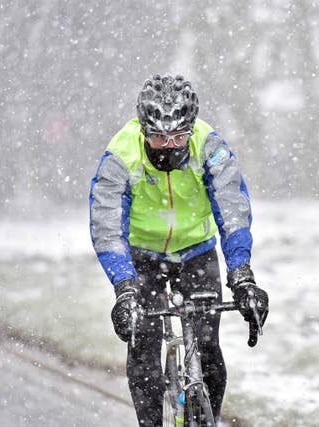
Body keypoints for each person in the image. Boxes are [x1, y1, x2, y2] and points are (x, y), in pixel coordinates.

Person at [89, 74, 269, 426]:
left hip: (195, 252)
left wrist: (242, 276)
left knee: (208, 350)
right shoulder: (121, 155)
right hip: (143, 257)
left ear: (191, 128)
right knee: (144, 348)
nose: (169, 146)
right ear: (143, 130)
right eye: (158, 137)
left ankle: (208, 420)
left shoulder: (209, 146)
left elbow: (233, 212)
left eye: (178, 137)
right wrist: (125, 288)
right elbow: (107, 227)